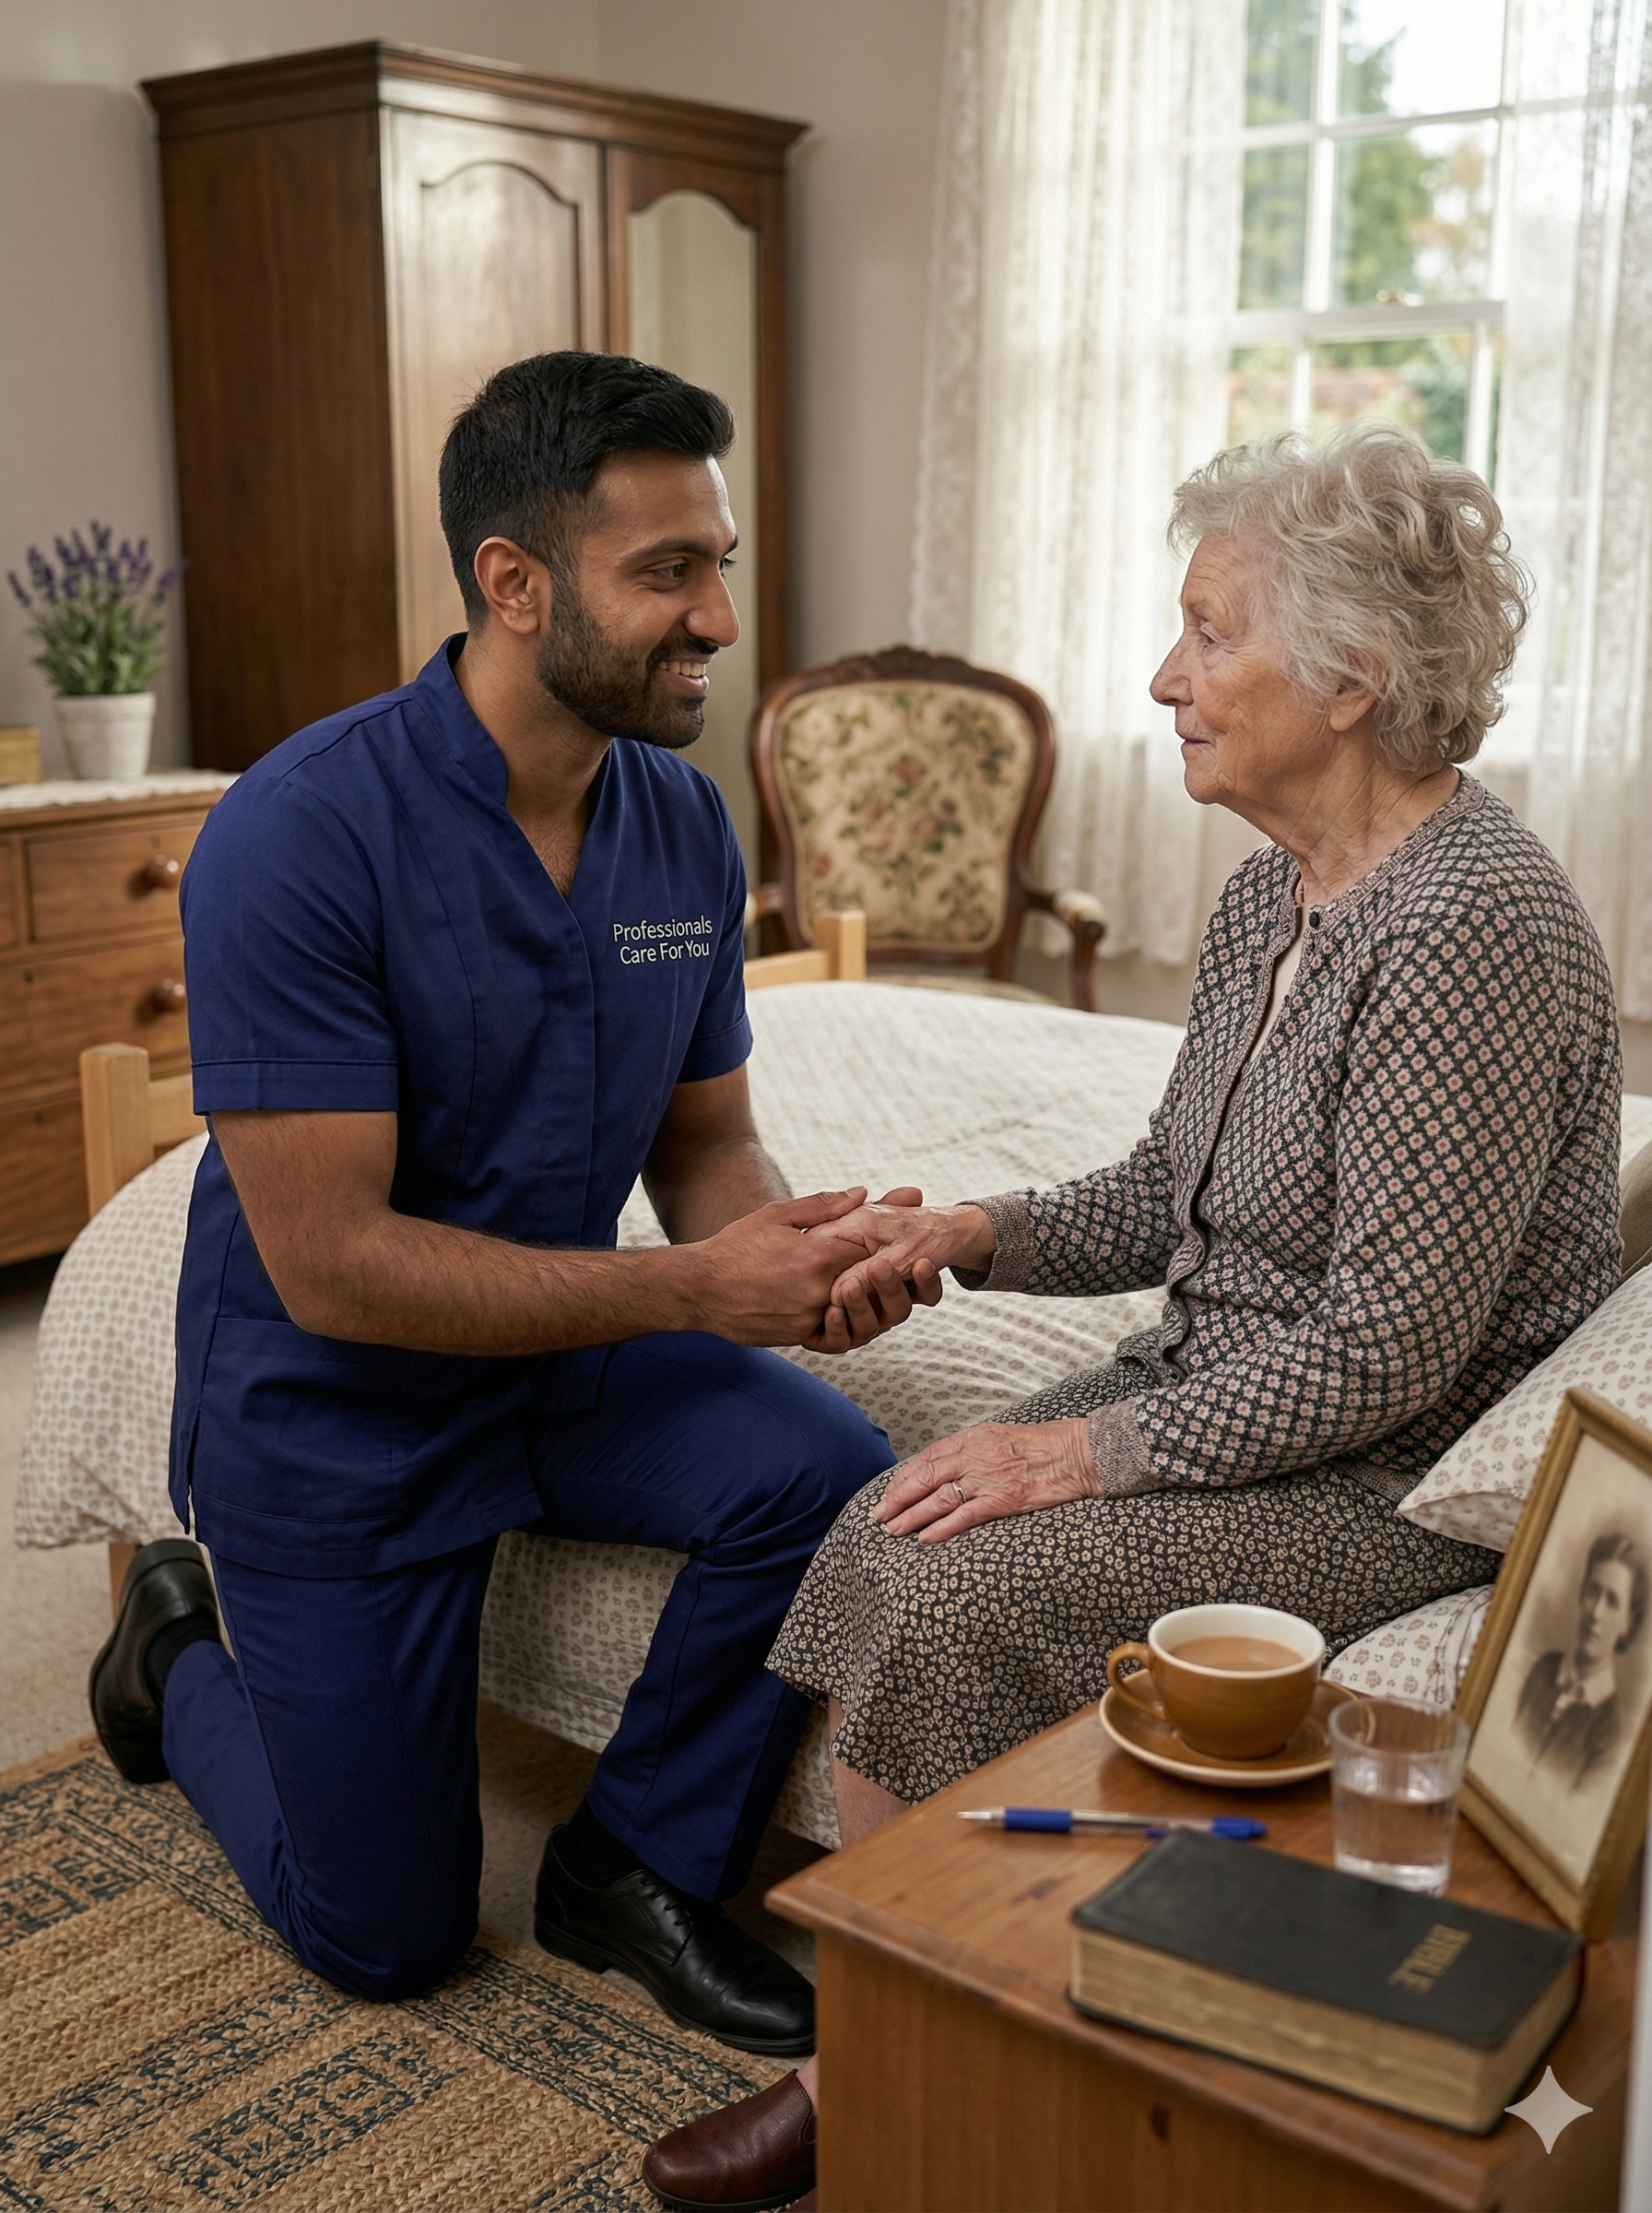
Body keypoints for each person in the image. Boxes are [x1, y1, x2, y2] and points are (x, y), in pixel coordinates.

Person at [643, 421, 1624, 2209]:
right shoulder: (1268, 898)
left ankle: (875, 2071)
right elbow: (1161, 1189)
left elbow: (1384, 1351)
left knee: (952, 1568)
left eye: (1206, 635)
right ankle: (881, 2018)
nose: (1162, 678)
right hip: (1230, 1391)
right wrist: (964, 1230)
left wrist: (1070, 1450)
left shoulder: (1471, 927)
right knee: (885, 1514)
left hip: (1370, 1479)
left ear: (1348, 676)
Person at [88, 351, 936, 2056]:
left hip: (550, 1357)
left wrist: (785, 1253)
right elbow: (329, 1270)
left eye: (719, 566)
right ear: (512, 582)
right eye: (667, 573)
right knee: (385, 1937)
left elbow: (704, 1149)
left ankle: (627, 1861)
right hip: (338, 1409)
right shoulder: (301, 835)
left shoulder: (681, 829)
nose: (714, 616)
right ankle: (172, 1652)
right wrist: (693, 1296)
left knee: (826, 1468)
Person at [1517, 1533, 1647, 1785]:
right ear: (1581, 1593)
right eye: (1593, 1591)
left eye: (1612, 1601)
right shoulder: (1544, 1668)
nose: (1596, 1613)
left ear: (1627, 1624)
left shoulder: (1609, 1736)